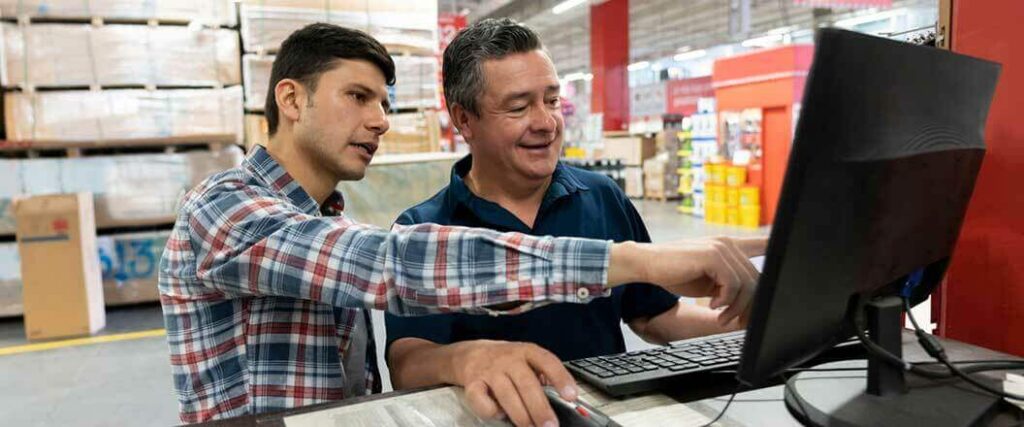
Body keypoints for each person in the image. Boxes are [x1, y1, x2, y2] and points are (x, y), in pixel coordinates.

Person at [159, 23, 761, 424]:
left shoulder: (320, 218)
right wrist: (639, 259)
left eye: (384, 104)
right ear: (291, 100)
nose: (381, 121)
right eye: (358, 97)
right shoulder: (225, 210)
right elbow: (399, 265)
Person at [385, 18, 765, 427]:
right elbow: (408, 361)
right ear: (464, 120)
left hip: (603, 417)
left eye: (551, 101)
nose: (546, 123)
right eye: (518, 107)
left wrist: (741, 323)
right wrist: (466, 359)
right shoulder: (424, 229)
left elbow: (652, 316)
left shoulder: (600, 196)